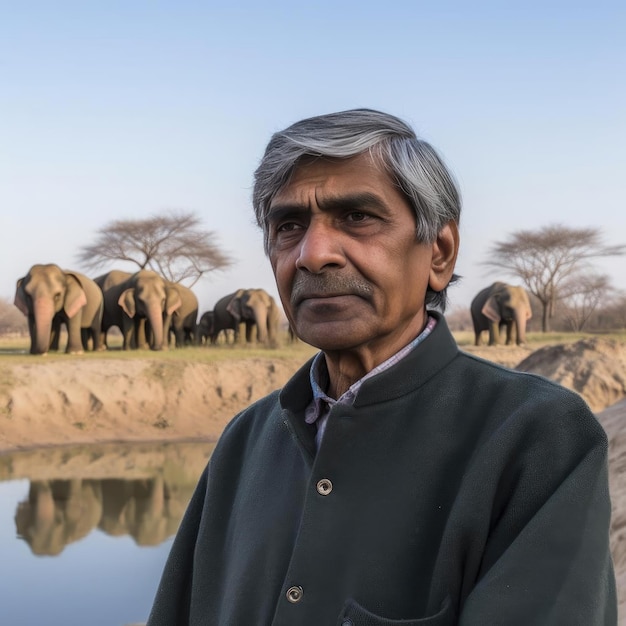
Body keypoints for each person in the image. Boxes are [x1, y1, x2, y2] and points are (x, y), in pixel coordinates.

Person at [146, 109, 616, 625]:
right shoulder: (246, 440)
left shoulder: (540, 438)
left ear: (439, 252)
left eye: (357, 218)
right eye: (288, 226)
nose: (313, 254)